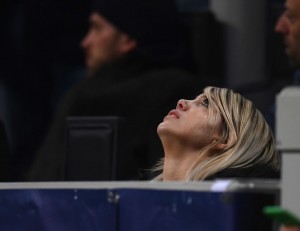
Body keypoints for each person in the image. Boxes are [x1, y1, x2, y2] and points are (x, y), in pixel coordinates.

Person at [27, 0, 201, 181]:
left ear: (128, 39)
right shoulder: (193, 91)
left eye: (96, 28)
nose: (85, 42)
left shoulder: (85, 98)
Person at [152, 86, 280, 181]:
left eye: (205, 103)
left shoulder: (231, 212)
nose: (181, 102)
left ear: (226, 138)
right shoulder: (134, 202)